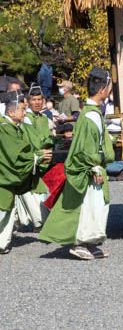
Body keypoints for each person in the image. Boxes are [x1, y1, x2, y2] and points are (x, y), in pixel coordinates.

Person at [39, 67, 115, 260]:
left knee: (97, 205)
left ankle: (90, 242)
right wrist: (95, 166)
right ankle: (81, 243)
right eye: (110, 86)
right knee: (89, 205)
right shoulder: (90, 116)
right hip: (90, 169)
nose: (111, 90)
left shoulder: (91, 112)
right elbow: (88, 148)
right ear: (102, 90)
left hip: (93, 167)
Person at [0, 92, 52, 254]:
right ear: (10, 112)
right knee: (3, 210)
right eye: (22, 109)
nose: (24, 112)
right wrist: (37, 156)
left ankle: (3, 243)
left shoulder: (12, 127)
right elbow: (16, 155)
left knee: (7, 210)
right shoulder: (5, 129)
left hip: (6, 178)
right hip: (3, 178)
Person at [16, 84, 54, 231]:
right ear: (28, 101)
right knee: (33, 191)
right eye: (34, 99)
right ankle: (39, 221)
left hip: (45, 157)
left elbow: (48, 137)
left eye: (39, 99)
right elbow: (33, 140)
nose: (37, 102)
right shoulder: (26, 119)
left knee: (42, 190)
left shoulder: (44, 118)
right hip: (33, 158)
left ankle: (41, 220)